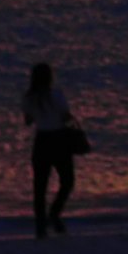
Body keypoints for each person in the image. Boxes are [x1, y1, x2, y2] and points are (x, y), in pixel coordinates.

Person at [23, 61, 87, 234]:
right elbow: (66, 117)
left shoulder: (29, 97)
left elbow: (28, 121)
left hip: (41, 141)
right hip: (59, 140)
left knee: (40, 187)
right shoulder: (56, 95)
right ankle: (54, 213)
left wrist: (40, 114)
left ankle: (40, 227)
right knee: (67, 181)